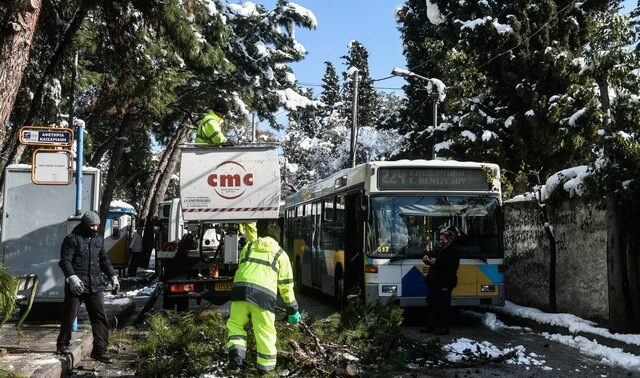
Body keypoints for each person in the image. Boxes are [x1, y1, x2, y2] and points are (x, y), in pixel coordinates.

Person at [226, 219, 300, 374]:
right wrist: (293, 309)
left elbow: (242, 266)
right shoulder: (281, 254)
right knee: (265, 332)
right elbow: (286, 286)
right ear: (277, 238)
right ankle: (265, 372)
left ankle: (236, 361)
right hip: (263, 296)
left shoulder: (249, 246)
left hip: (240, 290)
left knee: (235, 325)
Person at [56, 210, 120, 363]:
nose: (95, 228)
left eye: (97, 225)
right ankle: (62, 344)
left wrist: (113, 276)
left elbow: (103, 259)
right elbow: (65, 261)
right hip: (76, 285)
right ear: (85, 224)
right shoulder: (72, 239)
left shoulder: (98, 239)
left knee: (100, 318)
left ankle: (100, 351)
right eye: (92, 225)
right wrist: (72, 278)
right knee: (69, 316)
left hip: (95, 285)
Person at [421, 226, 460, 335]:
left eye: (442, 239)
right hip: (434, 282)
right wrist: (425, 258)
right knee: (432, 305)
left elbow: (452, 267)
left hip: (445, 283)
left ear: (449, 240)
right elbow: (431, 256)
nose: (440, 241)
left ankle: (443, 328)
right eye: (440, 239)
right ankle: (431, 326)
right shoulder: (440, 249)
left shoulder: (453, 251)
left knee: (443, 306)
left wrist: (436, 262)